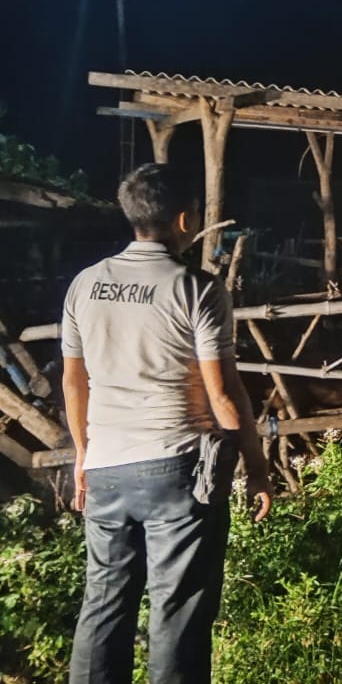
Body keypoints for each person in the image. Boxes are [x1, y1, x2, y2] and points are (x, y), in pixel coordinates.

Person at [61, 163, 272, 684]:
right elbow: (222, 393)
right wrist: (256, 466)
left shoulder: (84, 286)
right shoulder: (197, 288)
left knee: (103, 607)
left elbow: (73, 383)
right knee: (176, 615)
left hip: (106, 469)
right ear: (183, 218)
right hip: (177, 471)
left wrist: (83, 456)